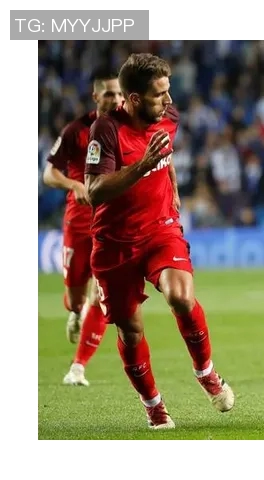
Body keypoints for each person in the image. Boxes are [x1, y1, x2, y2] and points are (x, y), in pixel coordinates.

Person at [84, 53, 234, 430]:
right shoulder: (106, 130)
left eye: (168, 91)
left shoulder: (168, 115)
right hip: (114, 243)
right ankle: (153, 404)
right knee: (130, 330)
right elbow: (95, 190)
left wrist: (173, 187)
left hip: (159, 228)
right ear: (134, 99)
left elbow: (165, 154)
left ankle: (206, 373)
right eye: (159, 94)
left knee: (181, 296)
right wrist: (142, 166)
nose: (168, 100)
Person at [43, 69, 124, 386]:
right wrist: (74, 184)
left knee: (102, 293)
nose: (116, 99)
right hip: (78, 222)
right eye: (109, 94)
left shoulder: (128, 127)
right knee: (75, 297)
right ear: (95, 96)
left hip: (112, 222)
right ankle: (75, 311)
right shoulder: (76, 130)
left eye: (120, 94)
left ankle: (78, 367)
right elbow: (49, 174)